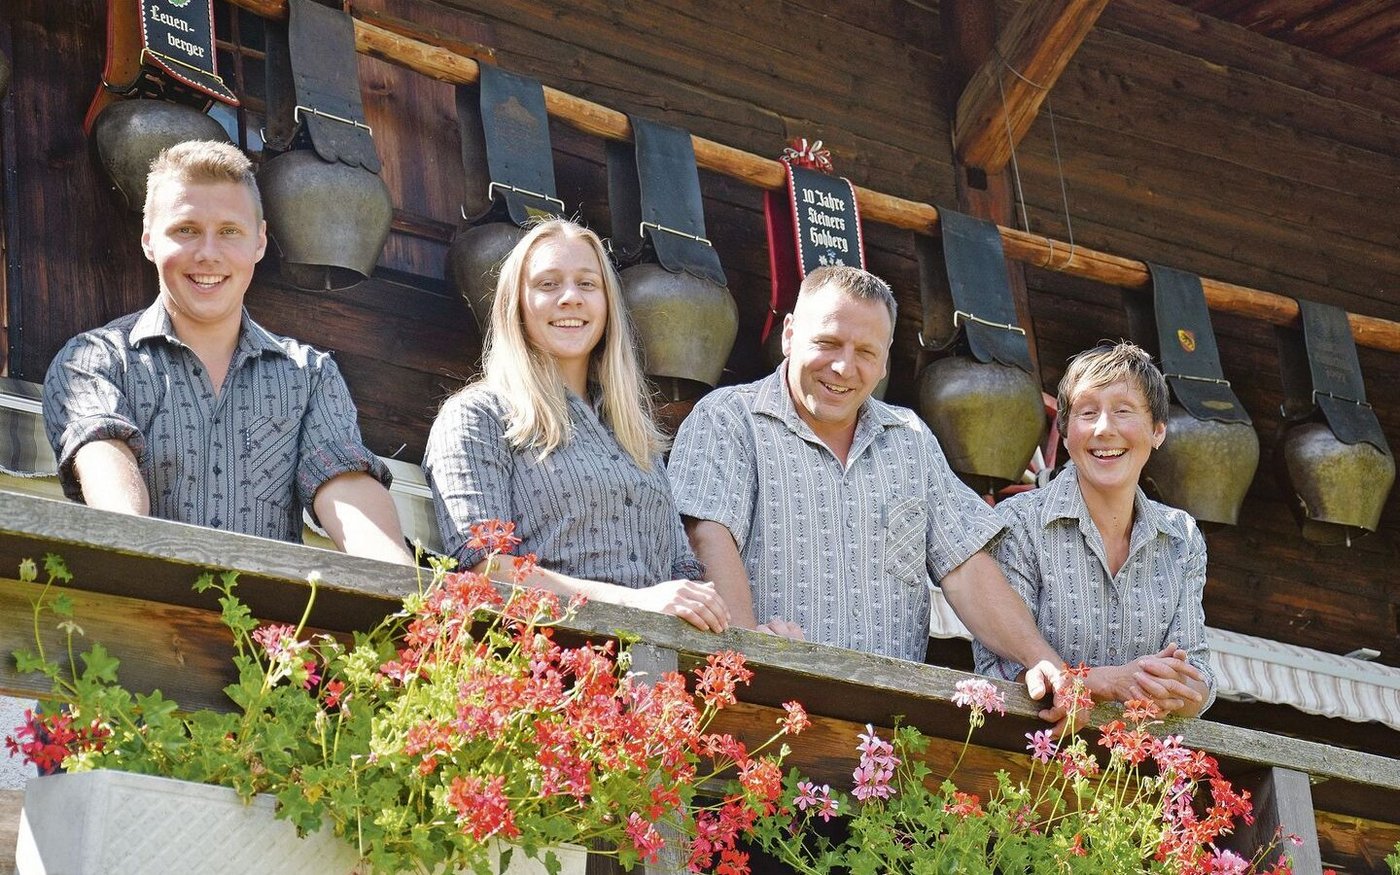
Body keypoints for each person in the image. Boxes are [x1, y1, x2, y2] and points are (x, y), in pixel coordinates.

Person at [669, 264, 1065, 710]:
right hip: (764, 710)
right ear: (790, 335)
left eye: (865, 352)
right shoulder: (728, 418)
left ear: (884, 361)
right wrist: (749, 656)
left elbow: (965, 567)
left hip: (882, 730)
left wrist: (1041, 659)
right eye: (827, 343)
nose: (844, 367)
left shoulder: (911, 440)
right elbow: (708, 537)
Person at [43, 140, 411, 565]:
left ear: (259, 242)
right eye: (186, 230)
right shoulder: (92, 361)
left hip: (267, 611)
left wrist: (409, 588)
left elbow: (346, 491)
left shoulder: (311, 376)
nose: (208, 254)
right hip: (141, 602)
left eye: (229, 232)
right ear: (149, 241)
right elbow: (112, 494)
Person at [423, 219, 729, 632]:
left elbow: (682, 577)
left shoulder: (634, 435)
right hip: (545, 660)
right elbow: (484, 571)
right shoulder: (478, 416)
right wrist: (634, 603)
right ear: (516, 304)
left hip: (655, 666)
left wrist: (741, 633)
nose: (571, 298)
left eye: (587, 284)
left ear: (608, 305)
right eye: (548, 284)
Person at [973, 342, 1214, 717]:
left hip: (1139, 754)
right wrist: (1106, 682)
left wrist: (1177, 690)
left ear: (1158, 431)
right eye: (1087, 413)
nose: (1103, 429)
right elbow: (998, 673)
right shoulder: (1018, 521)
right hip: (1033, 747)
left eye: (1123, 411)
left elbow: (1197, 674)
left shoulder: (1181, 537)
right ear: (1066, 433)